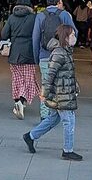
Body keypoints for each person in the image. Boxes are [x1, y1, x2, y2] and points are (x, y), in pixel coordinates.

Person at [22, 24, 83, 161]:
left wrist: (75, 85)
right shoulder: (59, 53)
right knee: (69, 121)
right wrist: (43, 93)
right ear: (65, 38)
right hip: (61, 94)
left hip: (63, 92)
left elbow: (67, 73)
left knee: (53, 119)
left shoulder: (65, 51)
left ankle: (30, 136)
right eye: (72, 35)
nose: (75, 37)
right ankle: (68, 150)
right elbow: (49, 75)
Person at [33, 0, 77, 121]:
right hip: (62, 56)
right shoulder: (64, 15)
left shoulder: (40, 16)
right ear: (60, 2)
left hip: (44, 56)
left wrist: (37, 57)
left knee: (46, 84)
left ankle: (45, 114)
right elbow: (74, 33)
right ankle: (59, 112)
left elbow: (35, 38)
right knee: (61, 85)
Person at [0, 0, 38, 120]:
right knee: (28, 78)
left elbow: (4, 34)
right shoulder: (34, 18)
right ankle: (21, 101)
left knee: (16, 78)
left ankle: (18, 101)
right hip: (29, 52)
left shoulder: (11, 17)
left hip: (14, 52)